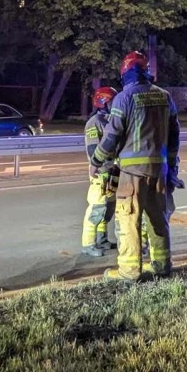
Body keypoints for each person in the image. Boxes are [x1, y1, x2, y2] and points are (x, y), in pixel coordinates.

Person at [90, 50, 180, 281]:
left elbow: (112, 135)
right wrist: (172, 167)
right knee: (158, 219)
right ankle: (162, 266)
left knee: (129, 220)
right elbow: (174, 135)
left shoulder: (123, 98)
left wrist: (96, 160)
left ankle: (129, 272)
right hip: (160, 170)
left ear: (125, 73)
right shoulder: (165, 96)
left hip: (132, 173)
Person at [81, 86, 119, 257]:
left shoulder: (110, 121)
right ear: (103, 102)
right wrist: (99, 164)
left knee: (108, 208)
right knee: (97, 209)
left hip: (112, 173)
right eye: (112, 101)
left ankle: (102, 240)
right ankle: (88, 244)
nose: (115, 105)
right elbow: (93, 149)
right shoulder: (94, 122)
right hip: (100, 173)